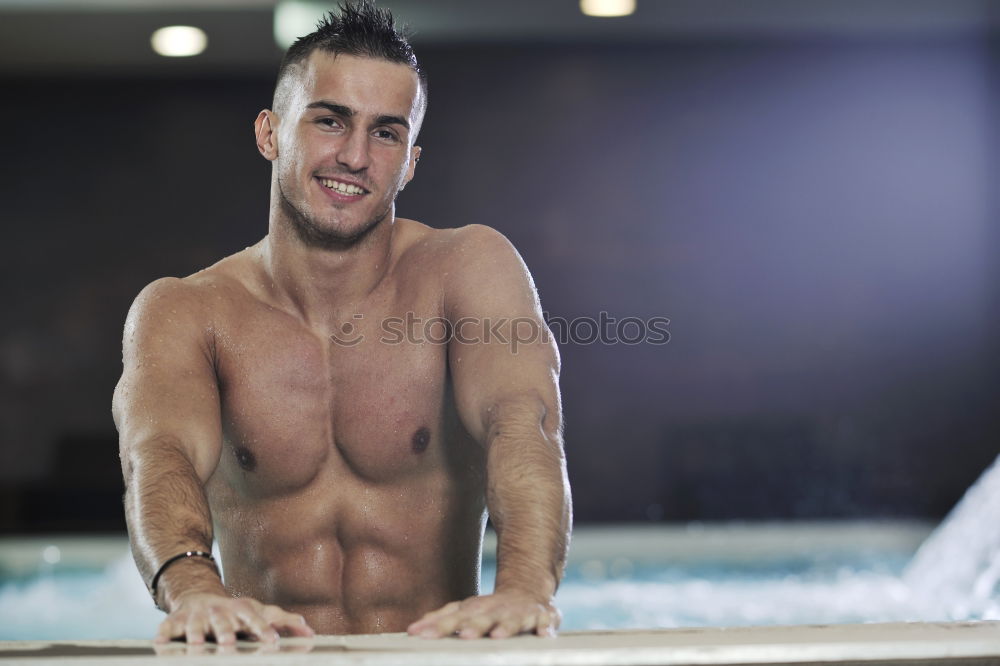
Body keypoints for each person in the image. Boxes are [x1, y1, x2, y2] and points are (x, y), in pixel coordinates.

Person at [112, 0, 571, 646]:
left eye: (386, 133)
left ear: (410, 161)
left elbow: (526, 424)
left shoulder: (466, 270)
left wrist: (524, 589)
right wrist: (194, 592)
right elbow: (157, 456)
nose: (355, 156)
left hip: (431, 659)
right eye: (330, 121)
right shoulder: (185, 311)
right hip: (267, 660)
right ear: (270, 133)